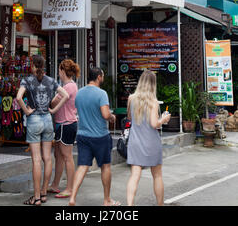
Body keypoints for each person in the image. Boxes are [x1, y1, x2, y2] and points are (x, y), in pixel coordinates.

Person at [16, 55, 69, 206]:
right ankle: (45, 192)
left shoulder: (27, 80)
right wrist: (53, 110)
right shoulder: (51, 80)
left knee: (36, 160)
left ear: (32, 65)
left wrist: (26, 111)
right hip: (47, 120)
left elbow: (18, 97)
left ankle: (37, 197)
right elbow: (65, 95)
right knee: (47, 158)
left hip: (34, 120)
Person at [69, 67, 120, 207]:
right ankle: (107, 200)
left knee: (82, 166)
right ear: (98, 77)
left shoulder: (79, 93)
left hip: (82, 135)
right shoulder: (101, 93)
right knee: (105, 167)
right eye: (102, 76)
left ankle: (72, 197)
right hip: (100, 136)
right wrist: (112, 117)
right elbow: (105, 114)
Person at [126, 70, 171, 206]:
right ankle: (160, 204)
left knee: (134, 175)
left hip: (135, 141)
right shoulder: (153, 102)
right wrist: (163, 119)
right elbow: (154, 124)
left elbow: (129, 118)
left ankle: (129, 206)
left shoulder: (131, 98)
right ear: (152, 84)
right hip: (151, 142)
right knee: (157, 175)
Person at [48, 59, 80, 198]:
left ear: (62, 71)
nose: (58, 73)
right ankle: (55, 185)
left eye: (59, 70)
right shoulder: (70, 86)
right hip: (64, 124)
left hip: (66, 124)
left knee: (67, 157)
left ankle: (70, 188)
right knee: (59, 156)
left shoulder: (68, 87)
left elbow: (53, 101)